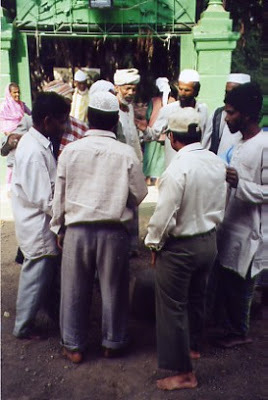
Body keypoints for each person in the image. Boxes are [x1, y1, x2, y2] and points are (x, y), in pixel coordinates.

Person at [50, 91, 147, 364]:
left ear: (88, 117)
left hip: (77, 231)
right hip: (113, 232)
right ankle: (113, 343)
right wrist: (119, 201)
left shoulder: (70, 151)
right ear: (116, 121)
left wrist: (58, 226)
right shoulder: (126, 153)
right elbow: (139, 194)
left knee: (73, 289)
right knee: (114, 288)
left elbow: (60, 195)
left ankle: (74, 346)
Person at [145, 107, 227, 391]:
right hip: (209, 241)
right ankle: (192, 347)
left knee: (172, 307)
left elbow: (165, 216)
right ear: (199, 133)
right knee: (196, 298)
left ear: (170, 137)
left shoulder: (177, 169)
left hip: (181, 248)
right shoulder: (216, 163)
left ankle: (184, 373)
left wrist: (154, 244)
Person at [11, 92, 70, 339]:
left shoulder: (37, 143)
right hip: (38, 226)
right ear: (47, 121)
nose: (65, 126)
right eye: (61, 121)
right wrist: (65, 218)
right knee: (35, 279)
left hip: (38, 223)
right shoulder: (34, 151)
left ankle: (52, 317)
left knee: (44, 278)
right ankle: (22, 327)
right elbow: (43, 199)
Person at [214, 82, 268, 348]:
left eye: (231, 112)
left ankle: (240, 331)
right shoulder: (237, 143)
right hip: (231, 222)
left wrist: (240, 185)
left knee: (244, 283)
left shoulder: (264, 145)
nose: (226, 117)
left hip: (252, 229)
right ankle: (230, 326)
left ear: (246, 115)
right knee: (230, 279)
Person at [136, 69, 209, 167]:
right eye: (180, 89)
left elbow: (206, 140)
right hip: (174, 164)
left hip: (197, 165)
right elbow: (153, 134)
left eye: (187, 90)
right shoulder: (168, 110)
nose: (182, 93)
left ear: (196, 92)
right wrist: (145, 129)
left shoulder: (203, 110)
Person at [114, 68, 143, 256]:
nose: (131, 93)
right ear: (117, 87)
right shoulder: (113, 110)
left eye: (133, 89)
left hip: (133, 165)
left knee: (133, 205)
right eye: (127, 89)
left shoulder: (130, 108)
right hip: (117, 168)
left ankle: (132, 246)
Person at [202, 73, 251, 155]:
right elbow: (205, 147)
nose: (228, 97)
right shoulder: (218, 115)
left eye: (233, 93)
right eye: (227, 92)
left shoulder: (252, 119)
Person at [143, 77, 176, 185]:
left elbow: (148, 114)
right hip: (166, 134)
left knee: (150, 157)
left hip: (152, 132)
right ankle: (158, 179)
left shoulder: (153, 100)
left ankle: (148, 178)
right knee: (161, 158)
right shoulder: (173, 101)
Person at [0, 82, 31, 191]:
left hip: (22, 136)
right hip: (11, 138)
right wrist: (11, 135)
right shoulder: (4, 107)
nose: (17, 95)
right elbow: (2, 123)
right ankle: (9, 186)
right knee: (12, 162)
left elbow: (31, 114)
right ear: (9, 93)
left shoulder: (22, 105)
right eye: (14, 93)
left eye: (18, 92)